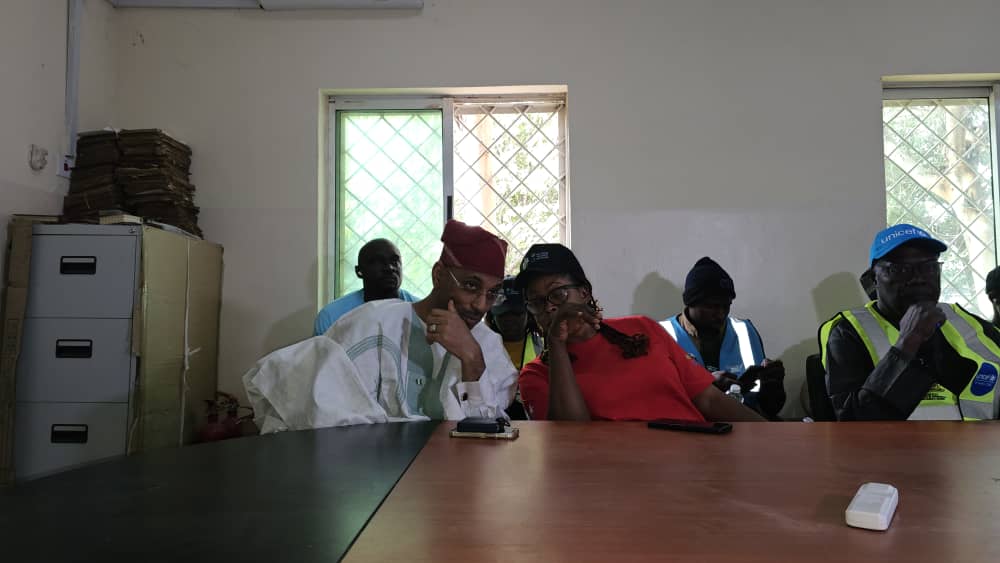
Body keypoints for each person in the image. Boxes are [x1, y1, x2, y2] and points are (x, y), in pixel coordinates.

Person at [243, 220, 518, 432]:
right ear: (438, 275)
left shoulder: (486, 345)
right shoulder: (372, 323)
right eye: (470, 286)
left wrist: (472, 359)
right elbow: (318, 412)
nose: (481, 305)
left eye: (493, 293)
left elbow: (486, 436)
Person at [515, 243, 765, 422]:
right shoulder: (536, 375)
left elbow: (709, 399)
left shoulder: (642, 328)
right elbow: (568, 440)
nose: (549, 307)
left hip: (695, 458)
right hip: (620, 474)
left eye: (558, 293)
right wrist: (557, 344)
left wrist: (773, 437)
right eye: (536, 302)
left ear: (584, 292)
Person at [819, 223, 1000, 421]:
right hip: (898, 443)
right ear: (873, 279)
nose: (918, 278)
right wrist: (908, 343)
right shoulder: (847, 332)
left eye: (929, 267)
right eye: (900, 269)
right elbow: (853, 421)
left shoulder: (967, 322)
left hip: (981, 440)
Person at [660, 257, 786, 419]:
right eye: (711, 306)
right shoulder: (662, 335)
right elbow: (657, 403)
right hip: (687, 431)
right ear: (691, 303)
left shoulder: (744, 330)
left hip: (745, 430)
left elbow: (769, 409)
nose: (720, 314)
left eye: (726, 306)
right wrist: (707, 387)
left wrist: (774, 386)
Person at [314, 238, 420, 335]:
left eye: (395, 261)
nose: (390, 268)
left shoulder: (420, 311)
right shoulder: (332, 317)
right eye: (378, 262)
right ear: (359, 271)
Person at [485, 276, 542, 420]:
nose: (510, 320)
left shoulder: (544, 347)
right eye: (503, 314)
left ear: (529, 314)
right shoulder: (482, 347)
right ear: (493, 316)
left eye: (516, 313)